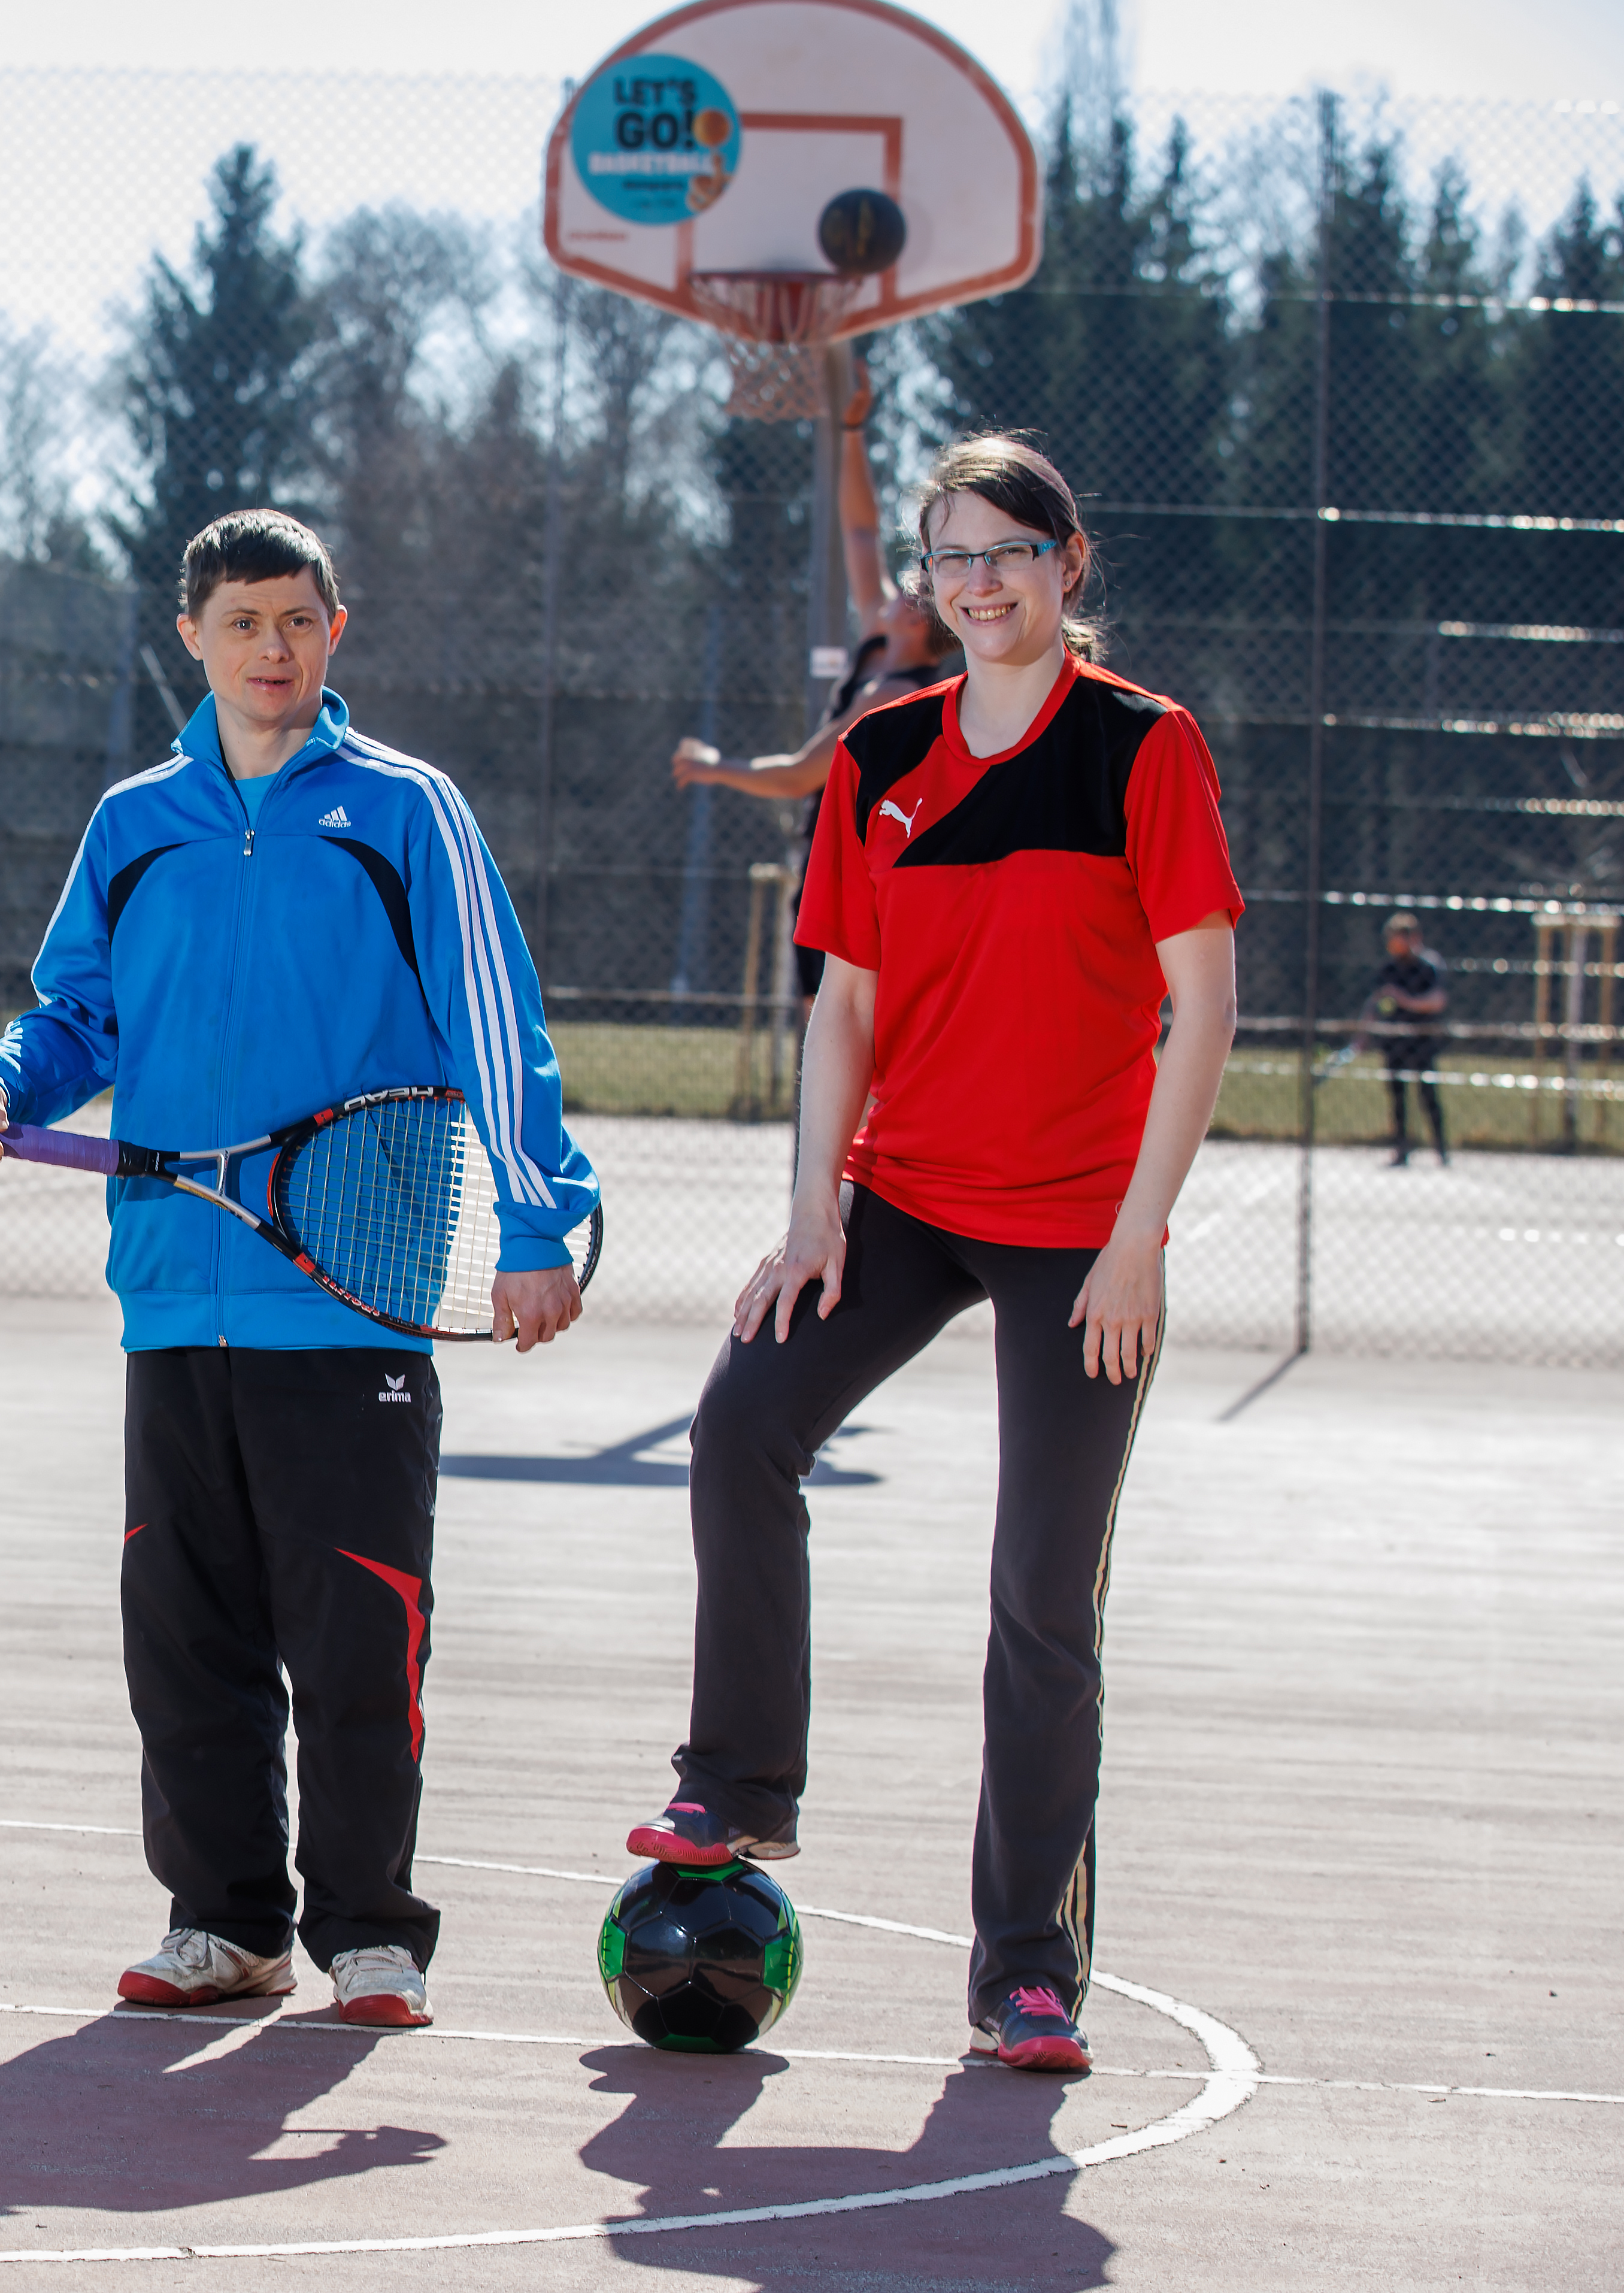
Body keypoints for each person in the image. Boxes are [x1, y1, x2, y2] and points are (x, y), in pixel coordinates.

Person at [622, 435, 1241, 2078]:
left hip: (1073, 1227)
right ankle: (737, 1784)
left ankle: (1024, 1969)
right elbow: (841, 1002)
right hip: (899, 1197)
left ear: (1065, 561)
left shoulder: (1138, 746)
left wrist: (1131, 1243)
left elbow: (1203, 1007)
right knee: (740, 1418)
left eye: (1004, 552)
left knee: (1040, 1594)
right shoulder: (879, 753)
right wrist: (809, 1207)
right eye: (944, 556)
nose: (973, 581)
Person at [0, 509, 599, 2031]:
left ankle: (370, 1933)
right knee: (186, 1637)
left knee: (357, 1628)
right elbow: (74, 1019)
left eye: (298, 619)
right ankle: (223, 1926)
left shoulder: (405, 812)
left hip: (349, 1291)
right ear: (191, 637)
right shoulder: (133, 823)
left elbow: (497, 1022)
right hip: (172, 1290)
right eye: (243, 622)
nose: (273, 648)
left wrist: (538, 1223)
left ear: (334, 631)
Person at [671, 356, 961, 1002]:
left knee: (837, 1029)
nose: (887, 588)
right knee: (831, 1028)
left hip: (861, 873)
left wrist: (719, 767)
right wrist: (852, 431)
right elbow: (858, 530)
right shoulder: (882, 649)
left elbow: (804, 773)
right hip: (839, 860)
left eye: (908, 591)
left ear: (918, 621)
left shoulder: (894, 693)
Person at [1361, 911, 1451, 1166]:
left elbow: (1437, 1001)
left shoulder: (1429, 966)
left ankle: (1440, 1149)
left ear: (1413, 938)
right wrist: (1364, 1033)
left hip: (1422, 1040)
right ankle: (1401, 1149)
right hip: (1394, 1042)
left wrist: (1404, 1000)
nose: (1392, 943)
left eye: (1398, 938)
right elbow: (1375, 1004)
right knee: (1398, 1097)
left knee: (1428, 1095)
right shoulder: (1388, 968)